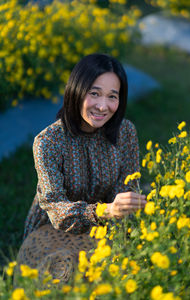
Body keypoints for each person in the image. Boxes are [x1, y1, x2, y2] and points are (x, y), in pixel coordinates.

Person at [17, 53, 146, 282]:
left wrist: (122, 209)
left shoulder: (125, 132)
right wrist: (104, 211)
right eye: (94, 93)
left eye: (112, 96)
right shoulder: (48, 142)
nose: (103, 106)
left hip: (107, 227)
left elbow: (126, 188)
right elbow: (56, 209)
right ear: (76, 90)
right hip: (53, 236)